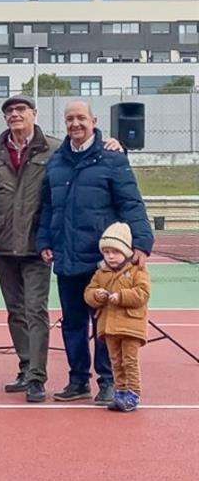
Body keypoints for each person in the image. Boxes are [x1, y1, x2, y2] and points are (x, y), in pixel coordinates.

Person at [38, 101, 153, 405]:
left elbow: (131, 203)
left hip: (105, 261)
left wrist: (141, 242)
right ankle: (78, 381)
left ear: (93, 121)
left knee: (106, 325)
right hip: (67, 256)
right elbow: (48, 206)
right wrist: (44, 241)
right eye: (69, 119)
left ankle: (108, 381)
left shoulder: (113, 158)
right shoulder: (57, 161)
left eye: (81, 118)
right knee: (73, 323)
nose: (75, 123)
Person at [0, 96, 59, 403]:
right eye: (10, 111)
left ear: (34, 114)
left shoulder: (54, 148)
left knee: (35, 310)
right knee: (15, 311)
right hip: (4, 244)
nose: (15, 115)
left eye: (21, 110)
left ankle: (37, 377)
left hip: (38, 245)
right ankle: (25, 367)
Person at [84, 222, 151, 412]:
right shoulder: (101, 272)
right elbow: (89, 293)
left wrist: (120, 296)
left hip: (131, 326)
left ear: (126, 252)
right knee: (116, 361)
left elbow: (142, 293)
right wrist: (96, 296)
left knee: (129, 361)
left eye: (115, 252)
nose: (110, 256)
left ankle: (133, 393)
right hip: (109, 327)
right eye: (106, 252)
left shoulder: (137, 271)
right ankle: (120, 391)